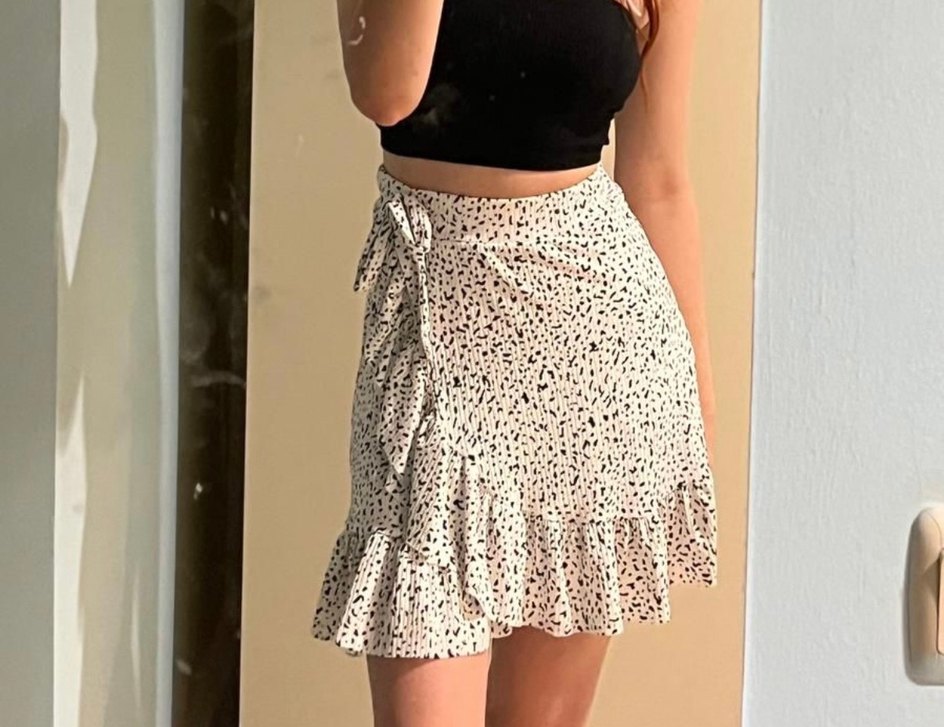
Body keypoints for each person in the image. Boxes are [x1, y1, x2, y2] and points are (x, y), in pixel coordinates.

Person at [311, 0, 719, 724]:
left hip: (597, 365)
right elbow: (386, 91)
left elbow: (658, 179)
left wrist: (699, 412)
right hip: (429, 351)